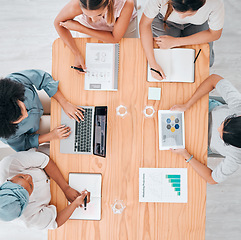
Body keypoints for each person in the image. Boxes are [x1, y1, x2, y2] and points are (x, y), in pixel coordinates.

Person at [170, 74, 241, 184]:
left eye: (222, 137)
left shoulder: (236, 157)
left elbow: (212, 179)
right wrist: (187, 105)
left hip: (200, 143)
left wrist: (186, 156)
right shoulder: (239, 106)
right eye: (223, 123)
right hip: (203, 110)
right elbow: (214, 79)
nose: (218, 129)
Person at [0, 149, 90, 229]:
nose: (29, 177)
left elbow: (45, 161)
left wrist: (66, 188)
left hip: (50, 162)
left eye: (21, 176)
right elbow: (55, 221)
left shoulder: (8, 165)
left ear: (9, 180)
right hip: (58, 197)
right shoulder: (27, 218)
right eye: (31, 186)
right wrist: (75, 204)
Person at [0, 69, 84, 152]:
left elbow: (42, 78)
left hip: (38, 101)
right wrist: (52, 135)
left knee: (75, 101)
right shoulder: (8, 135)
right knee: (72, 129)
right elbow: (24, 144)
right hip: (36, 127)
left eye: (23, 108)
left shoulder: (15, 81)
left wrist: (64, 103)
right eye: (20, 118)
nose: (26, 115)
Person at [139, 0, 224, 80]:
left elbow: (214, 34)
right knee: (165, 56)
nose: (181, 17)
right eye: (176, 11)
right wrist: (152, 64)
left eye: (189, 14)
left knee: (202, 61)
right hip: (164, 19)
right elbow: (144, 25)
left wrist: (175, 42)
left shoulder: (215, 2)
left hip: (197, 23)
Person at [54, 0, 137, 70]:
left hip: (119, 25)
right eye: (87, 14)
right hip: (87, 26)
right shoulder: (81, 3)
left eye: (99, 14)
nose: (94, 20)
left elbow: (115, 38)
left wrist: (80, 28)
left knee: (127, 60)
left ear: (108, 3)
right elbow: (58, 23)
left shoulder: (126, 3)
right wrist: (77, 54)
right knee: (88, 60)